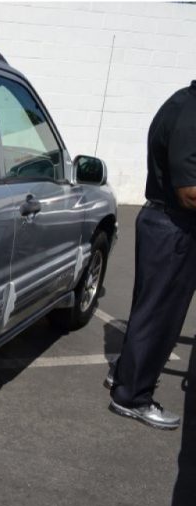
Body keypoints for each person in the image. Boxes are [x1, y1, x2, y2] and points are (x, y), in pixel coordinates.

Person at [107, 81, 196, 430]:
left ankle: (126, 376)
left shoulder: (184, 102)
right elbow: (189, 193)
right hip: (174, 227)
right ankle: (132, 397)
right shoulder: (191, 116)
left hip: (167, 225)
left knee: (150, 311)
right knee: (159, 316)